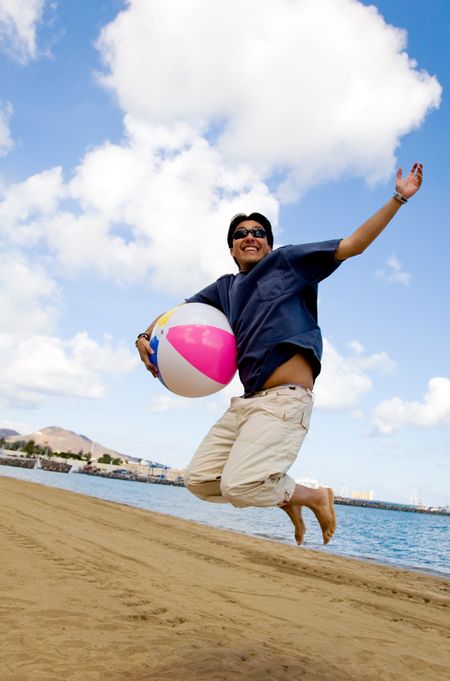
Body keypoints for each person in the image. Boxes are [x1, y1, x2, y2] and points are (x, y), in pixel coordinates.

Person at [136, 163, 423, 545]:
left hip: (285, 402)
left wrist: (399, 197)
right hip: (245, 405)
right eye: (241, 234)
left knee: (239, 487)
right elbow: (174, 314)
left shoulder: (286, 262)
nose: (250, 237)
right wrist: (144, 335)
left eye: (258, 232)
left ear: (268, 243)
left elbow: (353, 245)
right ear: (232, 247)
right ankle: (284, 494)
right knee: (199, 481)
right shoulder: (224, 288)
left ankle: (312, 496)